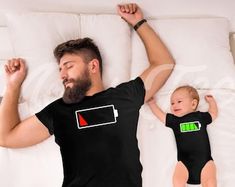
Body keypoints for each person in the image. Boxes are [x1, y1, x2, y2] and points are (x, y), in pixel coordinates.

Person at [0, 3, 175, 187]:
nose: (62, 75)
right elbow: (6, 137)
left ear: (93, 66)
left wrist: (138, 22)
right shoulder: (59, 111)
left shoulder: (124, 96)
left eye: (68, 66)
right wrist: (13, 86)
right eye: (60, 69)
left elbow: (163, 63)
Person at [148, 85, 218, 187]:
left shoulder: (200, 117)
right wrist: (152, 104)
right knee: (177, 181)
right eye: (172, 103)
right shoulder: (175, 121)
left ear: (193, 104)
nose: (174, 105)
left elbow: (213, 114)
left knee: (210, 182)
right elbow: (161, 116)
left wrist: (212, 102)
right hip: (185, 163)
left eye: (179, 101)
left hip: (205, 161)